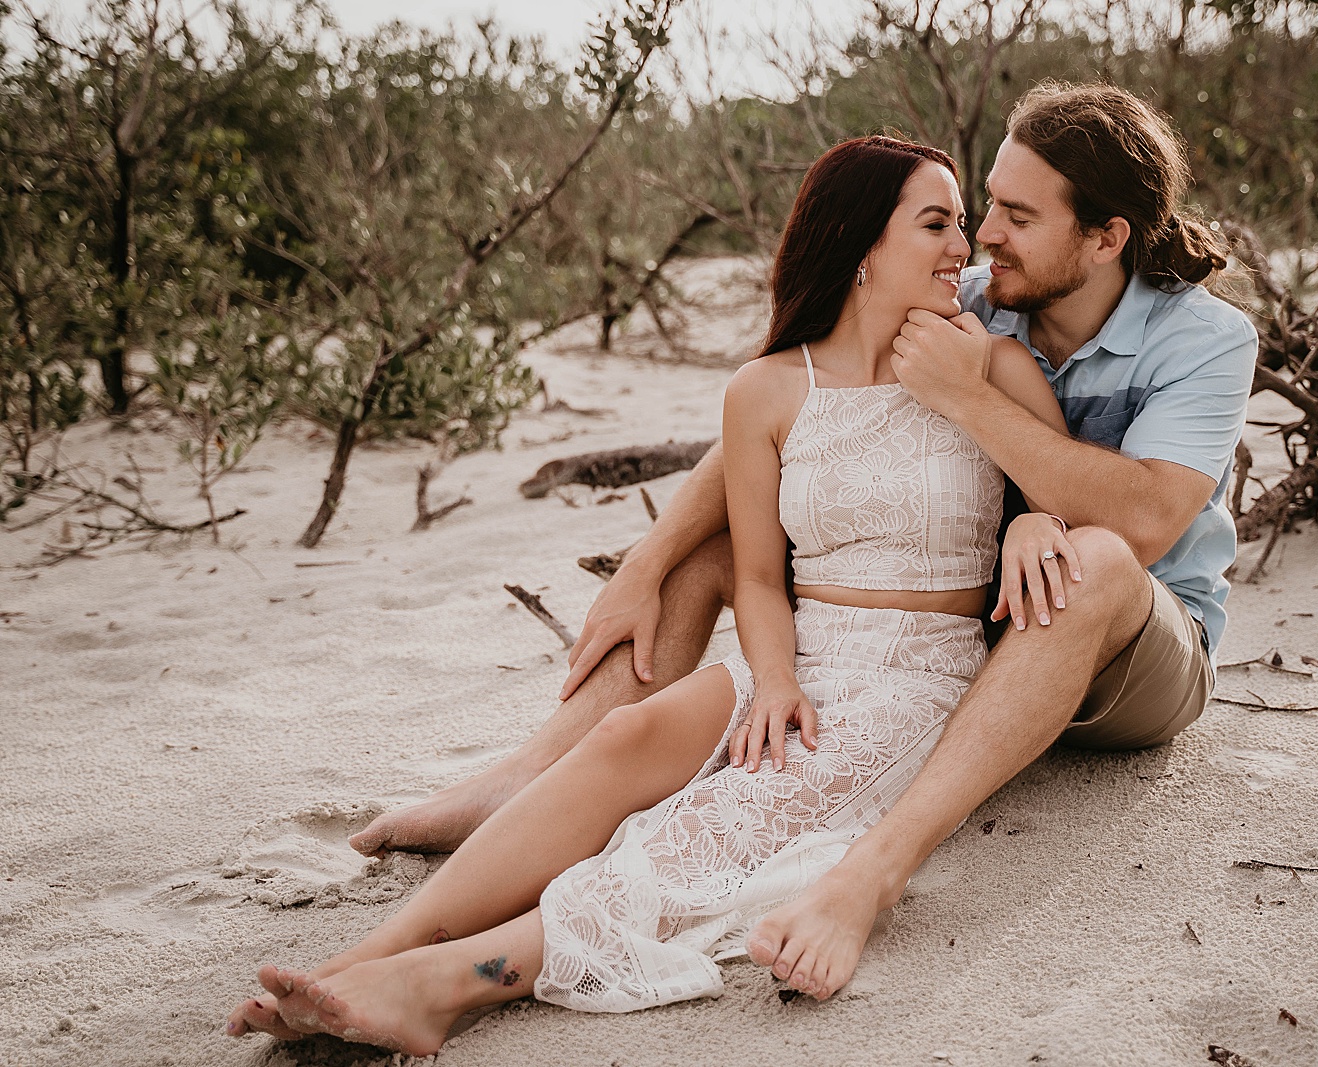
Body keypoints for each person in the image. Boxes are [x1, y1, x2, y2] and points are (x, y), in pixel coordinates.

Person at [325, 79, 1255, 1007]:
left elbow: (1140, 523)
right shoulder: (973, 292)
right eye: (982, 209)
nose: (984, 241)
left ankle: (870, 872)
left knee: (1090, 561)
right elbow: (784, 429)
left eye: (1015, 214)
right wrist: (646, 566)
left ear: (1105, 238)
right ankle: (538, 777)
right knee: (717, 547)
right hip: (986, 602)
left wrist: (1001, 455)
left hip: (1128, 644)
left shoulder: (1204, 339)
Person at [225, 135, 1072, 1053]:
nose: (966, 247)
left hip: (918, 679)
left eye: (961, 224)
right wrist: (776, 679)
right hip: (807, 657)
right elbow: (754, 574)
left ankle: (448, 984)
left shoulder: (993, 366)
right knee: (626, 733)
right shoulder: (767, 390)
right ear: (862, 243)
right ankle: (369, 955)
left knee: (708, 822)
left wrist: (1035, 516)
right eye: (937, 223)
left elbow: (1065, 491)